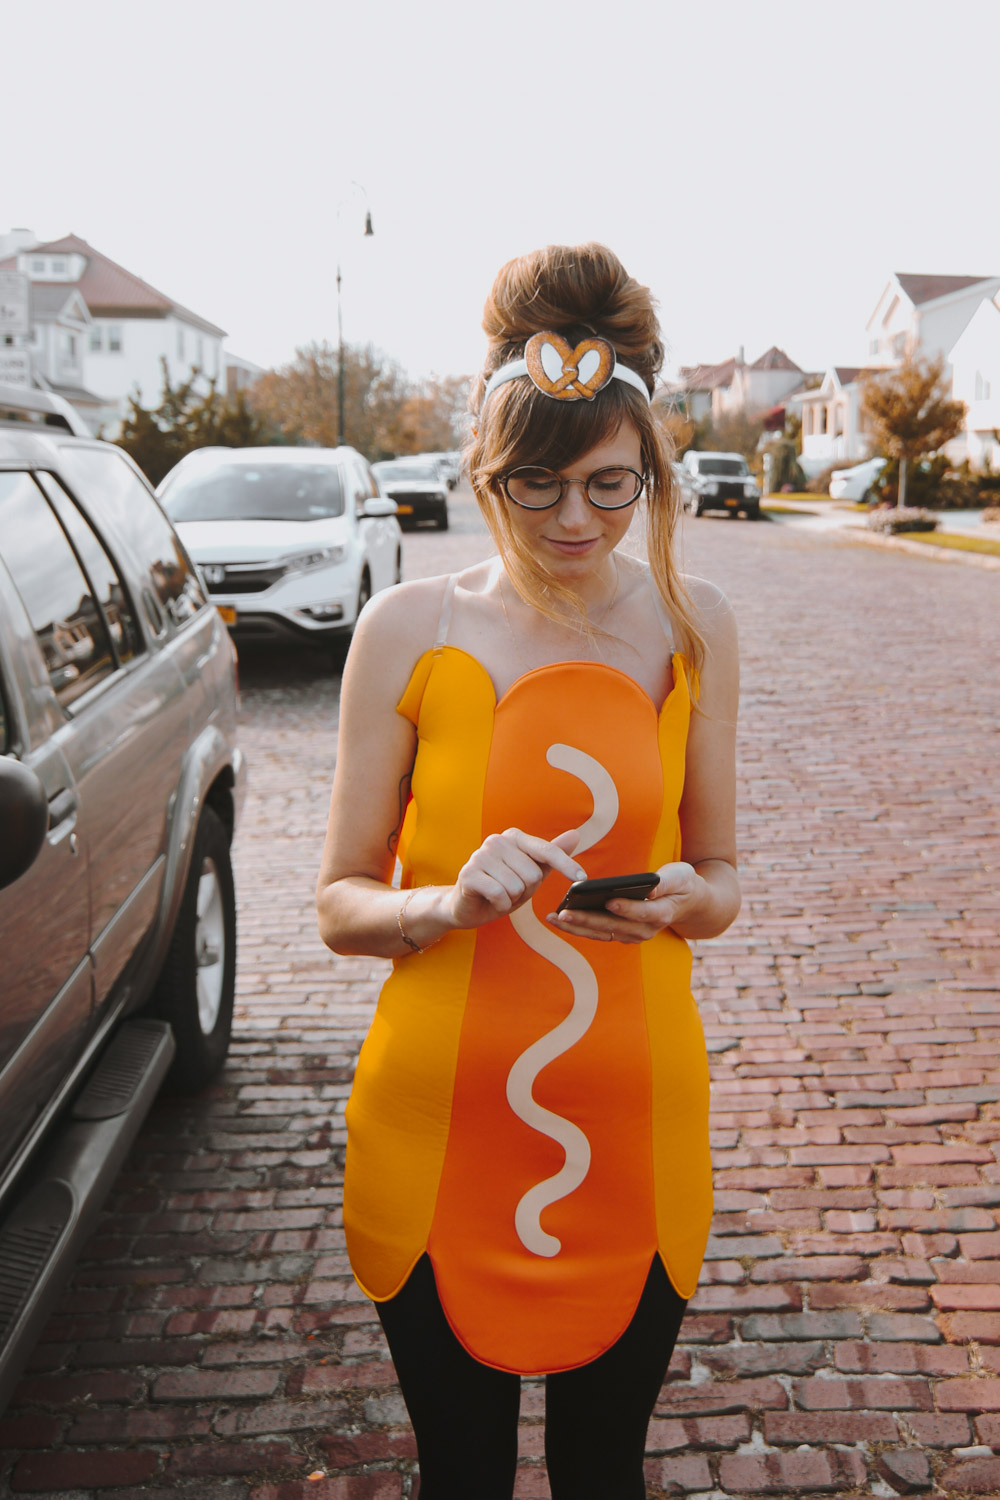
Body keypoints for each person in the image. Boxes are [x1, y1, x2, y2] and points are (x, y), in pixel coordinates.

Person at [316, 242, 740, 1499]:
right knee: (461, 1479)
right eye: (538, 484)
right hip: (433, 1130)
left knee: (604, 1476)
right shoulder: (407, 630)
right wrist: (444, 902)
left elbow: (721, 877)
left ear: (651, 474)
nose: (574, 521)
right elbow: (340, 900)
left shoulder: (693, 621)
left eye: (613, 488)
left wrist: (685, 901)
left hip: (636, 1127)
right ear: (482, 473)